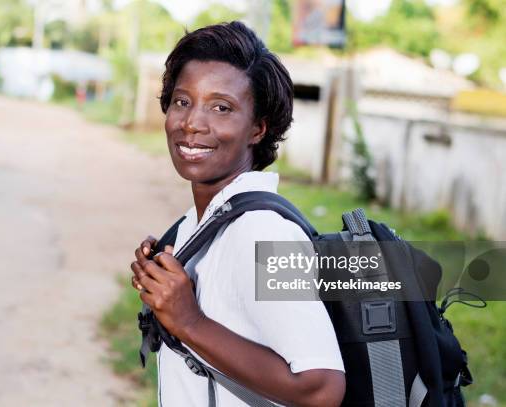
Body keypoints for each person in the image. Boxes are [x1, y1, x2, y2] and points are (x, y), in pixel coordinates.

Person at [130, 22, 345, 407]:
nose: (193, 123)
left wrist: (189, 321)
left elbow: (321, 388)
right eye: (182, 101)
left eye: (221, 107)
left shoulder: (261, 233)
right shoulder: (200, 227)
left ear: (258, 128)